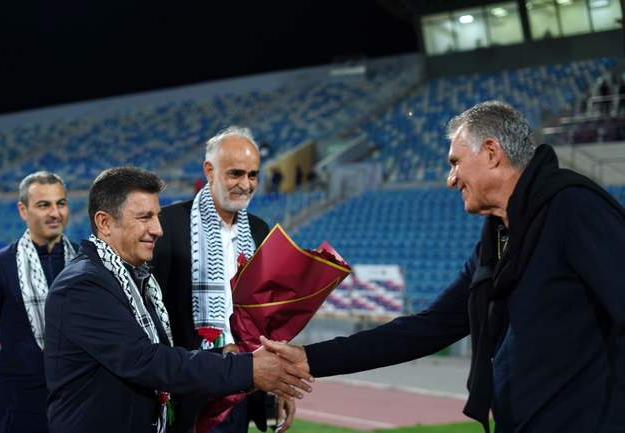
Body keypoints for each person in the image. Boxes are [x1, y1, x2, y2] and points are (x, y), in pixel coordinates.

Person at [263, 100, 625, 433]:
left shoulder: (574, 208)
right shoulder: (496, 239)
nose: (451, 180)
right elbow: (427, 328)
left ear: (491, 153)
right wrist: (310, 359)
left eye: (455, 162)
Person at [44, 167, 311, 433]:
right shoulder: (83, 284)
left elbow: (156, 355)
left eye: (157, 216)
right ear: (104, 223)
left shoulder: (134, 277)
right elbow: (147, 361)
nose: (158, 229)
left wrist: (224, 354)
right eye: (145, 217)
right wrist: (247, 368)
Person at [151, 126, 294, 433]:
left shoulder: (260, 230)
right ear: (209, 171)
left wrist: (278, 381)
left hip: (243, 386)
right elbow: (151, 316)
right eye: (236, 174)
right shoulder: (168, 225)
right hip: (186, 391)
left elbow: (268, 316)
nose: (246, 184)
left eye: (253, 175)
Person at [0, 171, 76, 433]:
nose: (55, 213)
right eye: (44, 205)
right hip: (16, 405)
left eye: (61, 203)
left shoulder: (84, 261)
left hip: (75, 400)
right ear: (23, 210)